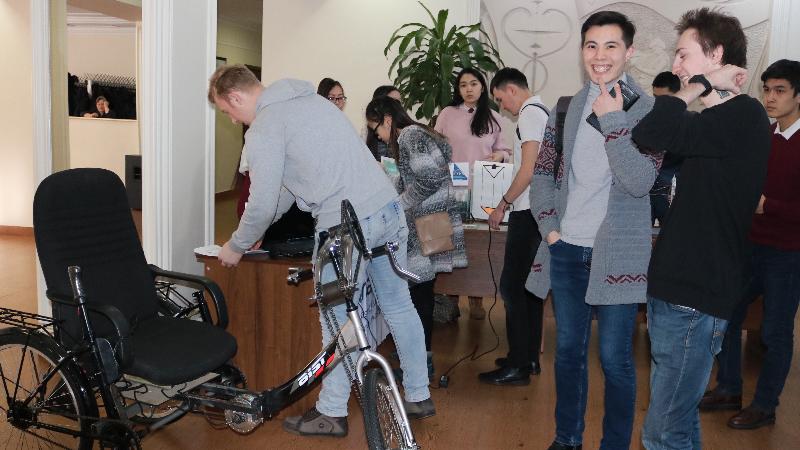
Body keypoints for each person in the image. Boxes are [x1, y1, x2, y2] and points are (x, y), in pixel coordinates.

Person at [208, 65, 434, 438]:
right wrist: (255, 233)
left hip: (345, 223)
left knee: (336, 320)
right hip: (386, 209)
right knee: (398, 305)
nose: (232, 119)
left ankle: (331, 412)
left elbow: (261, 199)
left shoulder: (265, 126)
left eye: (227, 110)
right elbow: (283, 191)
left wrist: (235, 244)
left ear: (235, 96)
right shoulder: (313, 102)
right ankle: (418, 393)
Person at [631, 8, 771, 449]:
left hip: (696, 293)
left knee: (662, 433)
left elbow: (652, 130)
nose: (675, 65)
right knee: (678, 422)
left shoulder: (744, 116)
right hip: (678, 288)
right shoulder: (709, 124)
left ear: (716, 55)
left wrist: (698, 85)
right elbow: (654, 131)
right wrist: (700, 87)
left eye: (683, 54)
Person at [525, 11, 658, 450]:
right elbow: (543, 174)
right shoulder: (566, 107)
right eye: (591, 46)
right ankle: (567, 439)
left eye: (611, 46)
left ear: (629, 52)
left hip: (618, 255)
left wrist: (614, 121)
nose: (600, 56)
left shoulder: (648, 111)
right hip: (566, 249)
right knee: (567, 354)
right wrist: (551, 231)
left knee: (616, 360)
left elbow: (640, 181)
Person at [700, 59, 800, 430]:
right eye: (766, 89)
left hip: (788, 253)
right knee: (724, 315)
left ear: (798, 96)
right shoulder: (764, 134)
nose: (770, 98)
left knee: (774, 332)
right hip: (748, 244)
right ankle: (728, 388)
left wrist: (767, 205)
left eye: (780, 91)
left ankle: (765, 405)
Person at [365, 96, 467, 379]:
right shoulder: (419, 132)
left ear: (387, 120)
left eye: (377, 129)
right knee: (421, 294)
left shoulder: (409, 136)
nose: (379, 136)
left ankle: (419, 365)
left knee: (418, 297)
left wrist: (399, 204)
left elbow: (428, 180)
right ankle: (419, 359)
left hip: (425, 225)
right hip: (431, 223)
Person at [477, 67, 548, 386]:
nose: (502, 106)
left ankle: (518, 365)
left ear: (511, 90)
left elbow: (528, 169)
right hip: (536, 211)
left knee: (511, 288)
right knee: (528, 290)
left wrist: (502, 203)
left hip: (527, 211)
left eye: (500, 99)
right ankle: (528, 357)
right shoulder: (542, 110)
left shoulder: (530, 114)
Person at [435, 67, 511, 320]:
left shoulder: (493, 117)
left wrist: (499, 155)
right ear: (458, 89)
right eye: (463, 85)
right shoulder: (447, 114)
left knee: (476, 245)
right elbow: (436, 145)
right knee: (452, 242)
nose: (468, 89)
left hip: (481, 189)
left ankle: (476, 298)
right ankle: (451, 298)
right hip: (452, 189)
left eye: (474, 84)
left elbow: (505, 151)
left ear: (482, 87)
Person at [649, 71, 682, 226]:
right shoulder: (648, 122)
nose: (658, 104)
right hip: (646, 194)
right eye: (655, 98)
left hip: (672, 195)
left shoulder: (690, 123)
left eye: (664, 99)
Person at [366, 85, 402, 160]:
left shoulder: (407, 133)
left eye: (399, 102)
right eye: (394, 102)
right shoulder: (370, 134)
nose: (398, 106)